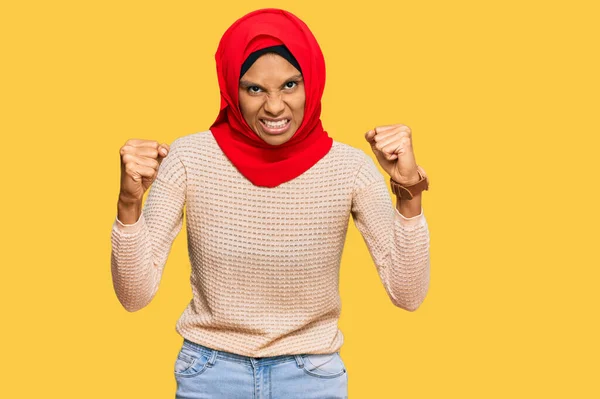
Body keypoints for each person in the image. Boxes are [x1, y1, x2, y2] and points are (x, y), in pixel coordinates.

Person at [111, 8, 430, 399]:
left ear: (311, 82)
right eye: (255, 89)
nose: (275, 107)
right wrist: (129, 202)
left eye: (290, 85)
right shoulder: (188, 158)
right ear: (232, 89)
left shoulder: (349, 168)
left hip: (311, 376)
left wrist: (408, 189)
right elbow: (133, 296)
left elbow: (408, 293)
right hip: (210, 373)